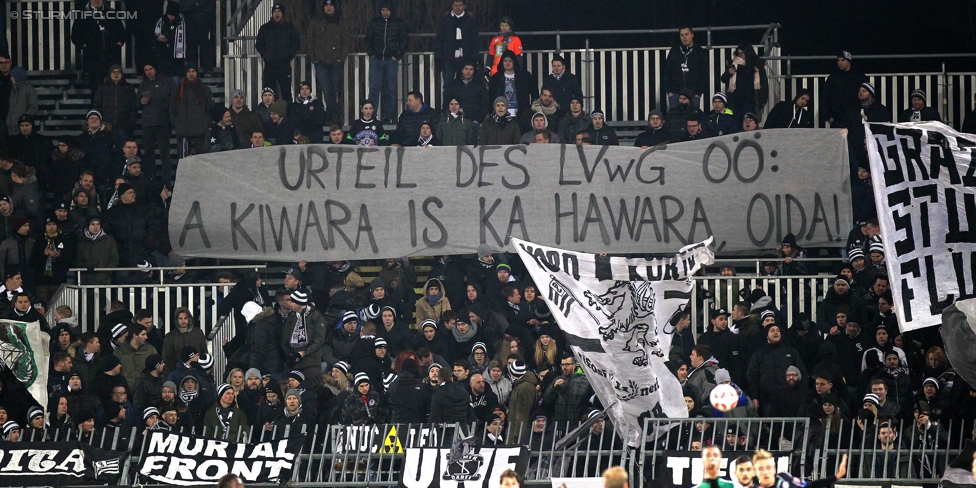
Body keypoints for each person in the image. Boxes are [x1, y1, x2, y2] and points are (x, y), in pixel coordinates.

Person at [70, 0, 126, 100]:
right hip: (93, 58)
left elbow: (122, 33)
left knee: (114, 86)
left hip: (111, 57)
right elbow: (75, 35)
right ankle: (96, 112)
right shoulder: (83, 14)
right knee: (96, 87)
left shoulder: (111, 13)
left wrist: (118, 45)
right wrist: (85, 46)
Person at [305, 0, 349, 123]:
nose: (328, 8)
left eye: (331, 5)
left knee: (333, 89)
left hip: (336, 61)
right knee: (326, 89)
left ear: (335, 8)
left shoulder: (340, 22)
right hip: (321, 61)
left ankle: (331, 116)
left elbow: (346, 42)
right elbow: (310, 40)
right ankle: (335, 115)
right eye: (326, 5)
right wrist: (314, 59)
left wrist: (341, 59)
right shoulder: (316, 22)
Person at [366, 2, 407, 123]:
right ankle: (372, 115)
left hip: (391, 60)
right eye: (383, 10)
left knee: (391, 88)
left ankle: (387, 116)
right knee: (374, 88)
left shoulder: (398, 22)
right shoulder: (375, 22)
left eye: (387, 10)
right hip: (376, 59)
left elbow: (404, 40)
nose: (385, 12)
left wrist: (397, 55)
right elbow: (368, 39)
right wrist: (371, 54)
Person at [255, 4, 301, 103]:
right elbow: (259, 44)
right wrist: (266, 56)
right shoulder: (265, 28)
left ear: (282, 14)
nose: (277, 14)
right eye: (275, 11)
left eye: (279, 11)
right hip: (269, 65)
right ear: (272, 14)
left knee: (286, 93)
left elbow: (296, 44)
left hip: (284, 65)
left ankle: (287, 116)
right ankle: (269, 115)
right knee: (268, 92)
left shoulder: (289, 27)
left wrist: (287, 56)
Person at [138, 63, 175, 181]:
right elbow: (136, 104)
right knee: (149, 154)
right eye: (146, 70)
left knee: (165, 153)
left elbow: (174, 100)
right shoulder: (143, 84)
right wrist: (140, 102)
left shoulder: (167, 81)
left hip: (163, 122)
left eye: (150, 69)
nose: (148, 72)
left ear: (155, 69)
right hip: (148, 123)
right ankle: (150, 178)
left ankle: (167, 179)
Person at [433, 0, 478, 89]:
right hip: (448, 58)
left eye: (460, 5)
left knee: (465, 84)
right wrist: (438, 57)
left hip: (466, 58)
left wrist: (473, 58)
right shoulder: (445, 21)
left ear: (464, 6)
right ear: (452, 6)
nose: (458, 7)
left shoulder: (470, 21)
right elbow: (439, 40)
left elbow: (475, 41)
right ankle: (448, 102)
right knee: (448, 84)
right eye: (456, 5)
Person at [173, 64, 214, 158]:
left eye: (193, 71)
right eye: (188, 71)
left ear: (197, 73)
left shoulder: (205, 89)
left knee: (202, 162)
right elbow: (172, 110)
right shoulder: (178, 90)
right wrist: (177, 124)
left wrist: (204, 125)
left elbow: (211, 110)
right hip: (183, 133)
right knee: (183, 163)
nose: (191, 74)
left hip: (200, 133)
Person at [721, 43, 768, 125]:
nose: (740, 56)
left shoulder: (757, 66)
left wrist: (762, 100)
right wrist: (728, 73)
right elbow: (723, 79)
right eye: (739, 53)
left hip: (751, 100)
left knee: (749, 123)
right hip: (736, 100)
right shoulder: (734, 64)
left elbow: (764, 84)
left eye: (742, 53)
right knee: (736, 123)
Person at [488, 50, 537, 128]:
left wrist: (529, 110)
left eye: (510, 61)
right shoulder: (496, 78)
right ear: (502, 62)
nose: (507, 63)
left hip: (521, 115)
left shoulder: (525, 76)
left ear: (514, 62)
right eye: (505, 61)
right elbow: (491, 97)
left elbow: (535, 93)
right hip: (501, 114)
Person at [663, 26, 708, 110]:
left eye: (686, 34)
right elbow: (666, 72)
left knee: (693, 120)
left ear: (692, 35)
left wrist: (698, 93)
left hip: (693, 94)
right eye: (682, 35)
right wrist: (669, 92)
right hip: (675, 93)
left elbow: (704, 74)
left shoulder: (700, 52)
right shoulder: (674, 51)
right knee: (676, 120)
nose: (684, 37)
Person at [820, 51, 868, 128]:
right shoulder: (833, 77)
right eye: (838, 60)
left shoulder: (859, 76)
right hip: (837, 119)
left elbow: (868, 95)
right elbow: (824, 97)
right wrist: (828, 117)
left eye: (843, 60)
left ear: (849, 61)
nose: (840, 62)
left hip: (855, 118)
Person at [754, 449, 846, 488]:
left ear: (774, 469)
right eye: (761, 469)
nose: (765, 472)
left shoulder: (785, 479)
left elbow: (811, 485)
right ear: (755, 472)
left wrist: (836, 476)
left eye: (768, 468)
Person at [152, 2, 186, 79]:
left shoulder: (182, 22)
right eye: (169, 14)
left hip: (176, 59)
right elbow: (153, 34)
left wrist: (169, 39)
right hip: (163, 55)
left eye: (173, 15)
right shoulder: (161, 21)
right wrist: (158, 38)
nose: (170, 17)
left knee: (175, 80)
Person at [6, 68, 37, 137]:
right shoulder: (13, 90)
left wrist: (24, 120)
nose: (11, 78)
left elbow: (33, 106)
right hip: (11, 129)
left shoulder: (29, 89)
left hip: (21, 128)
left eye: (12, 76)